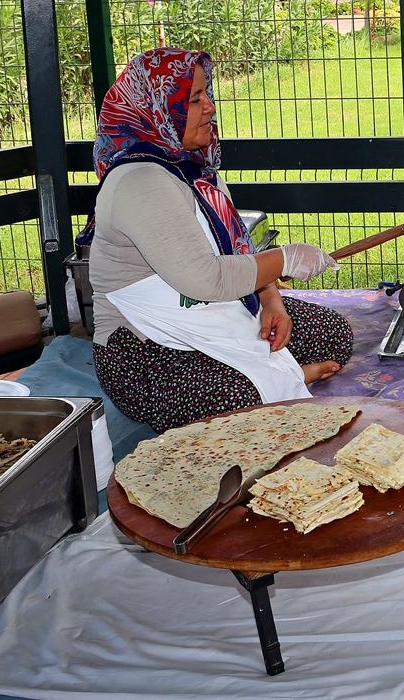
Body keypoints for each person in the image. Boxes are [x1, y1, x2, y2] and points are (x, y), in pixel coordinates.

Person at [84, 48, 353, 433]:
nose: (209, 107)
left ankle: (277, 380)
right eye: (194, 99)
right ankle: (281, 381)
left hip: (219, 314)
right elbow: (207, 280)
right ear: (157, 110)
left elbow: (237, 250)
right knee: (233, 397)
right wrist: (287, 258)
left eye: (206, 94)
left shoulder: (194, 168)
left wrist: (271, 300)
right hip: (148, 348)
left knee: (332, 333)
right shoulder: (139, 181)